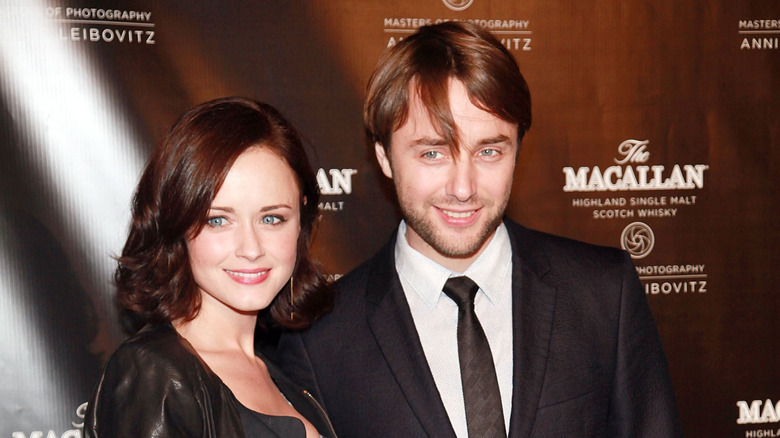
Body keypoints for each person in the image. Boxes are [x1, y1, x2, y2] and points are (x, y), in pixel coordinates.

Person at [278, 22, 682, 437]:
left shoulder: (602, 292)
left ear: (517, 149)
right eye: (433, 153)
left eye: (488, 151)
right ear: (383, 156)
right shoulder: (320, 339)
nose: (463, 187)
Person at [85, 97, 336, 437]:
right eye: (218, 220)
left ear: (301, 218)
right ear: (177, 225)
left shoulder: (282, 376)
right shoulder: (155, 374)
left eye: (272, 218)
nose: (251, 248)